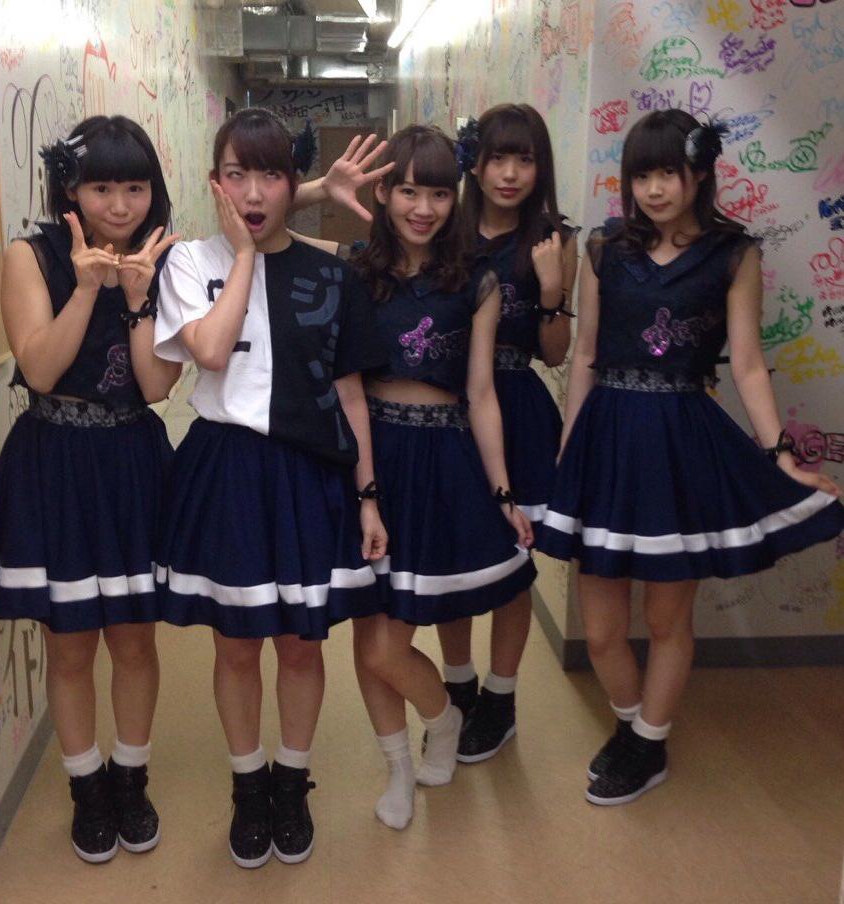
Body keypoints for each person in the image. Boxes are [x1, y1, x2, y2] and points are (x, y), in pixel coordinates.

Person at [539, 109, 844, 805]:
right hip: (606, 441)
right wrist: (569, 447)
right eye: (641, 175)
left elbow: (750, 366)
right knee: (602, 630)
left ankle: (648, 742)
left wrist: (780, 455)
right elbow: (584, 357)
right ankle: (632, 727)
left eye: (668, 173)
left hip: (681, 444)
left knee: (666, 621)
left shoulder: (735, 254)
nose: (653, 189)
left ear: (699, 174)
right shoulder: (604, 249)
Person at [153, 108, 387, 867]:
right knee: (235, 646)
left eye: (271, 175)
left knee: (300, 645)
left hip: (309, 473)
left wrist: (369, 496)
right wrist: (248, 255)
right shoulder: (188, 263)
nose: (252, 192)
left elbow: (351, 394)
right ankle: (248, 786)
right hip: (226, 470)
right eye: (236, 175)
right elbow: (211, 353)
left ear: (293, 181)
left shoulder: (333, 275)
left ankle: (291, 780)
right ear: (214, 182)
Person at [0, 115, 179, 861]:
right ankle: (86, 788)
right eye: (101, 188)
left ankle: (131, 777)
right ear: (70, 189)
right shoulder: (29, 256)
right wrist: (89, 288)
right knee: (69, 647)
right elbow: (39, 370)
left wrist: (140, 297)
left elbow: (155, 387)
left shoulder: (165, 259)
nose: (120, 206)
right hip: (55, 460)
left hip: (131, 461)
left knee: (134, 640)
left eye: (135, 188)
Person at [346, 124, 536, 831]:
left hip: (441, 461)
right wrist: (325, 189)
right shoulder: (355, 271)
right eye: (406, 191)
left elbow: (481, 393)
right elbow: (266, 231)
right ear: (382, 194)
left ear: (454, 198)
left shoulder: (475, 280)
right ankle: (399, 764)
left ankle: (444, 717)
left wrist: (502, 490)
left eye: (436, 193)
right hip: (371, 456)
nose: (422, 208)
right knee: (369, 637)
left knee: (388, 645)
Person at [435, 103, 579, 763]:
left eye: (525, 159)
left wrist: (551, 292)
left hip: (517, 407)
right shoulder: (445, 228)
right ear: (475, 164)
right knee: (452, 558)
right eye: (498, 158)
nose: (511, 173)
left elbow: (556, 352)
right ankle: (458, 685)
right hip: (448, 410)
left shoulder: (553, 239)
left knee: (513, 564)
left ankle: (500, 696)